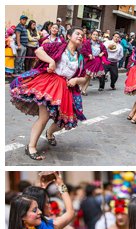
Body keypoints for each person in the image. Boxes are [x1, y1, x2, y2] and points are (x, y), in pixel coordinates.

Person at [9, 29, 88, 160]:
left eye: (82, 35)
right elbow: (39, 51)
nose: (80, 36)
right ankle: (31, 147)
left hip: (66, 89)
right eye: (77, 34)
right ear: (69, 36)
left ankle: (50, 133)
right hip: (50, 84)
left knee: (63, 120)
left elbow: (84, 77)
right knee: (44, 117)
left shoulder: (80, 57)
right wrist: (51, 61)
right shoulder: (58, 46)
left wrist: (76, 80)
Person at [80, 30, 107, 94]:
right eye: (94, 34)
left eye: (96, 35)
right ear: (91, 35)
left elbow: (105, 50)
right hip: (89, 61)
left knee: (89, 77)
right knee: (86, 75)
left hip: (97, 61)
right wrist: (88, 54)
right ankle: (80, 88)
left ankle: (84, 90)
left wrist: (102, 53)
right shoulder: (87, 42)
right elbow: (83, 50)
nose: (95, 36)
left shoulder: (100, 43)